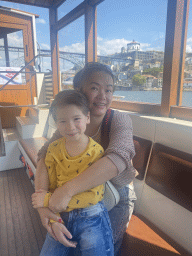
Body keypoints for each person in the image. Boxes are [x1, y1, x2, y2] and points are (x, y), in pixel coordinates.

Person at [33, 62, 138, 256]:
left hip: (114, 196)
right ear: (79, 92)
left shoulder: (119, 120)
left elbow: (119, 157)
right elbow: (43, 158)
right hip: (76, 197)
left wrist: (65, 191)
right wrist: (42, 208)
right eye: (95, 88)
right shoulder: (71, 125)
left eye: (109, 90)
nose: (103, 96)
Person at [32, 90, 114, 255]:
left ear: (87, 118)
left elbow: (93, 194)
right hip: (60, 214)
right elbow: (52, 184)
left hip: (92, 216)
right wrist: (53, 217)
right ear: (55, 123)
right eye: (62, 121)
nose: (70, 127)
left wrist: (47, 200)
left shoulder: (97, 151)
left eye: (76, 119)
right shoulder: (54, 149)